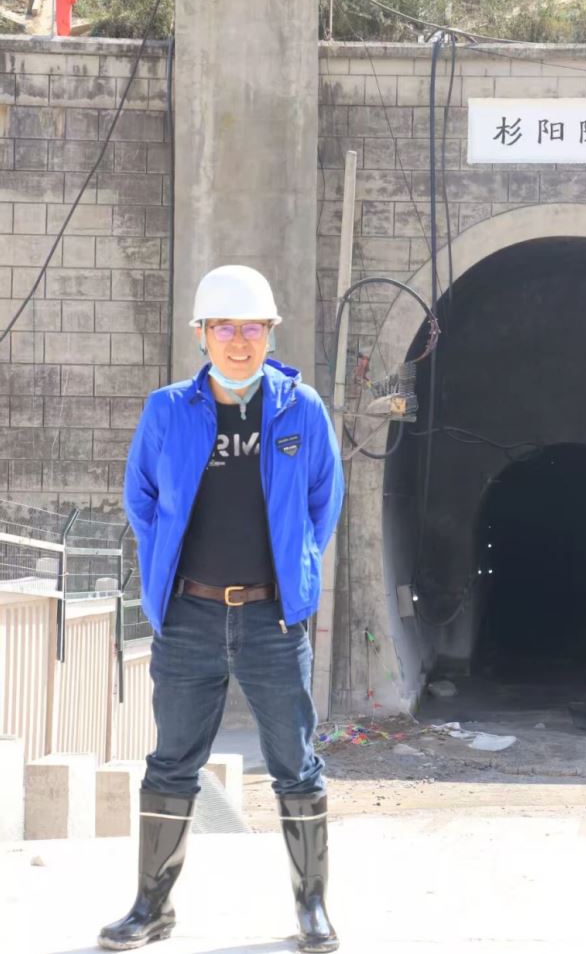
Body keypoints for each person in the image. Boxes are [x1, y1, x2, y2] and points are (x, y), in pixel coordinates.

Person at [98, 265, 345, 953]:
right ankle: (151, 907)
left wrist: (296, 571)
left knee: (296, 762)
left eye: (252, 328)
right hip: (191, 616)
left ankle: (312, 907)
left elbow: (324, 501)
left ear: (271, 333)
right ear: (201, 335)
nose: (240, 341)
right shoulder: (167, 410)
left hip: (273, 620)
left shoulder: (302, 410)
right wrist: (165, 570)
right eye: (225, 328)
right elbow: (142, 498)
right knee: (172, 761)